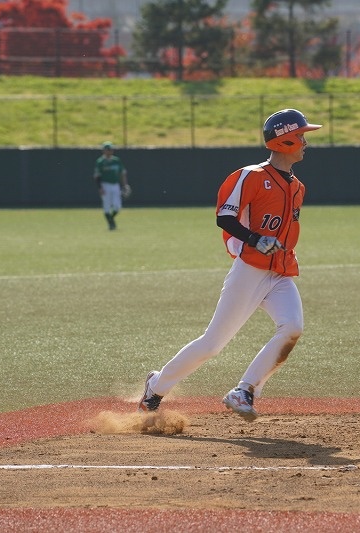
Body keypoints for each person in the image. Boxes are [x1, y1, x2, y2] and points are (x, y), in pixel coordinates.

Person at [137, 109, 321, 421]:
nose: (305, 142)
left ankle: (244, 390)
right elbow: (225, 216)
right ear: (285, 140)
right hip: (250, 270)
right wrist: (254, 239)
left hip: (280, 273)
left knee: (292, 328)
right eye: (301, 136)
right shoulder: (252, 176)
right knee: (212, 345)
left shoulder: (297, 187)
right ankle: (155, 387)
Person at [93, 141, 130, 230]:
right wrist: (100, 188)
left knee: (117, 207)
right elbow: (97, 176)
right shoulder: (100, 162)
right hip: (105, 185)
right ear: (104, 151)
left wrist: (125, 185)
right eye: (108, 149)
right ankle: (111, 224)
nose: (110, 151)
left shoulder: (116, 160)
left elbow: (122, 173)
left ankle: (111, 219)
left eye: (111, 149)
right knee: (107, 206)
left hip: (115, 185)